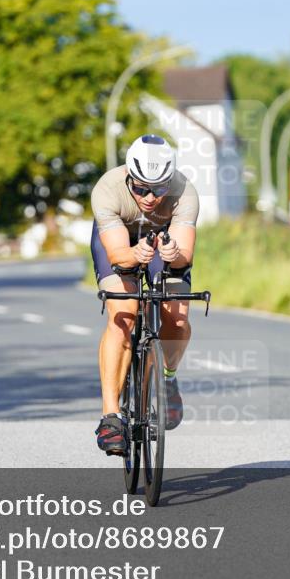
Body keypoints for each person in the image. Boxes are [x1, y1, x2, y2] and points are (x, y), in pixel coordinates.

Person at [90, 134, 199, 455]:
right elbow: (117, 255)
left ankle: (168, 377)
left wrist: (173, 252)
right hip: (121, 244)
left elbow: (185, 256)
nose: (150, 198)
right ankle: (111, 416)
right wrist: (132, 255)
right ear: (129, 177)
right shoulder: (107, 189)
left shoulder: (184, 191)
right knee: (122, 314)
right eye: (141, 189)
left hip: (162, 243)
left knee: (177, 321)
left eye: (159, 189)